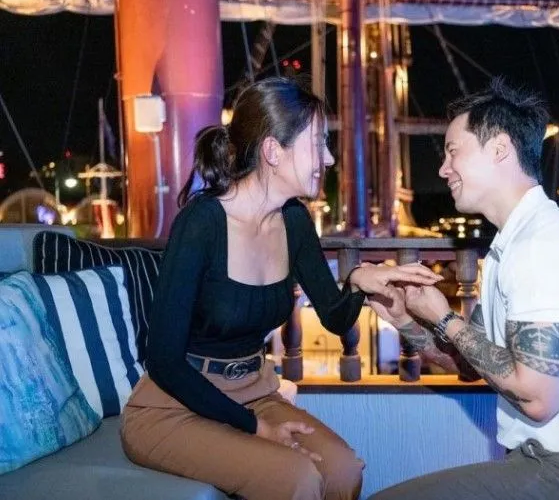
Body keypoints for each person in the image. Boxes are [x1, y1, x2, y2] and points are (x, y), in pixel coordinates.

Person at [119, 76, 442, 500]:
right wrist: (255, 427)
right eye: (318, 143)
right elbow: (163, 361)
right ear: (273, 151)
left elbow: (336, 317)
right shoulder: (201, 224)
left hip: (253, 391)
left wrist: (359, 281)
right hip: (174, 406)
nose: (329, 158)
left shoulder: (293, 221)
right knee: (298, 478)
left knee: (343, 471)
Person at [368, 78, 559, 500]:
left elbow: (537, 398)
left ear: (500, 149)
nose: (443, 169)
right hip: (537, 464)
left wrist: (444, 318)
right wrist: (404, 319)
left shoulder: (541, 245)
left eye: (453, 152)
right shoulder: (512, 245)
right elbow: (472, 363)